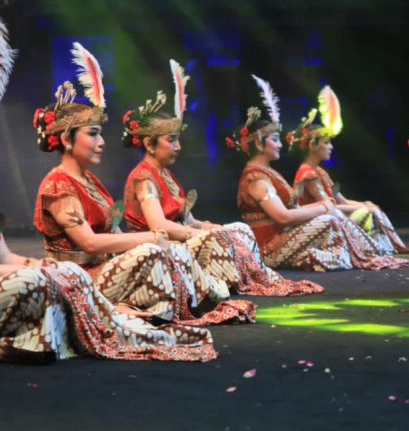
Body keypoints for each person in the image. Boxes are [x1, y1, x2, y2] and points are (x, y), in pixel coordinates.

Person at [0, 0, 217, 363]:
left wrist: (39, 267)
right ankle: (39, 336)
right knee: (46, 279)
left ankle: (52, 335)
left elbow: (3, 255)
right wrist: (27, 272)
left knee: (58, 275)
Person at [33, 43, 253, 325]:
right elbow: (87, 242)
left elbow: (113, 230)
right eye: (93, 134)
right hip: (78, 278)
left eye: (101, 135)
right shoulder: (58, 186)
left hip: (104, 267)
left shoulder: (89, 181)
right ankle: (195, 298)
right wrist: (148, 239)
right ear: (66, 139)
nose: (101, 143)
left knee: (202, 239)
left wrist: (195, 228)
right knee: (156, 250)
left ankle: (192, 299)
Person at [122, 60, 323, 296]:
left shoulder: (166, 175)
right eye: (171, 140)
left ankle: (251, 279)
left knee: (238, 229)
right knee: (216, 238)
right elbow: (159, 225)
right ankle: (239, 283)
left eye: (178, 139)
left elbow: (188, 219)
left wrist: (209, 226)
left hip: (181, 241)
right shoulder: (144, 178)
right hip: (159, 248)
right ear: (149, 144)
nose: (178, 146)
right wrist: (200, 234)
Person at [234, 75, 406, 272]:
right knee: (330, 218)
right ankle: (367, 254)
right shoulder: (256, 179)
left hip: (283, 237)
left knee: (338, 216)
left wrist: (323, 206)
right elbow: (282, 217)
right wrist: (322, 208)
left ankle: (372, 253)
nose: (280, 144)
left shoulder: (268, 172)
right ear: (258, 143)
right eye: (275, 139)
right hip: (269, 248)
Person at [289, 85, 409, 255]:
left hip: (332, 215)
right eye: (326, 143)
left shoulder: (320, 171)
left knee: (370, 208)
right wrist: (362, 209)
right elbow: (330, 208)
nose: (331, 147)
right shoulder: (307, 173)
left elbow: (342, 202)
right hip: (319, 222)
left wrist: (366, 204)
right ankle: (371, 249)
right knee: (364, 213)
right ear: (312, 145)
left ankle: (381, 248)